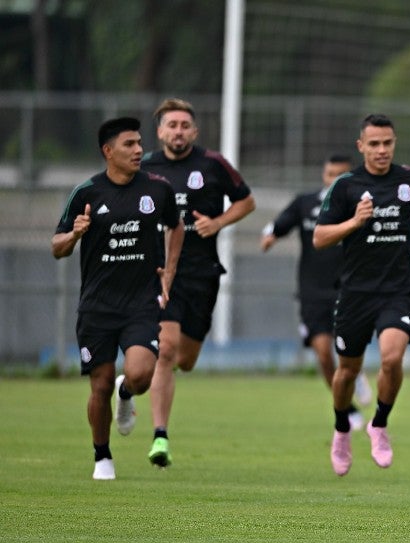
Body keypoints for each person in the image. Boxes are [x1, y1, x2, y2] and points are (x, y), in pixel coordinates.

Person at [52, 117, 184, 480]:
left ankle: (127, 394)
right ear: (108, 151)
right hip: (97, 306)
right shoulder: (87, 193)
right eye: (129, 144)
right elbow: (56, 247)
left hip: (141, 303)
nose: (139, 150)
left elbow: (177, 226)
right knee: (100, 383)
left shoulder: (158, 189)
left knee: (140, 375)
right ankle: (102, 457)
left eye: (140, 143)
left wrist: (169, 271)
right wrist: (75, 234)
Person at [314, 114, 410, 477]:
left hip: (398, 289)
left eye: (388, 143)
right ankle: (340, 430)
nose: (382, 150)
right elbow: (319, 238)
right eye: (374, 144)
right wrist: (353, 222)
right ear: (361, 146)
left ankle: (379, 424)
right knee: (347, 370)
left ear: (394, 143)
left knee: (391, 359)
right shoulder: (346, 187)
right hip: (355, 293)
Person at [140, 98, 257, 467]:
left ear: (195, 131)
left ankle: (133, 382)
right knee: (167, 349)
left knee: (185, 360)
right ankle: (160, 437)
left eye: (184, 125)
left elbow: (247, 202)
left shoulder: (213, 164)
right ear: (159, 131)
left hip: (202, 274)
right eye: (170, 125)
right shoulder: (144, 170)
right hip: (159, 274)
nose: (177, 131)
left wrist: (218, 222)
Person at [260, 154, 372, 430]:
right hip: (312, 291)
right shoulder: (306, 203)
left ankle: (353, 373)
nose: (335, 180)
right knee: (323, 353)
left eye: (341, 175)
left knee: (348, 348)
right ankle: (346, 407)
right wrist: (269, 236)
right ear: (324, 175)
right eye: (330, 174)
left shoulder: (362, 208)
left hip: (350, 289)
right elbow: (278, 224)